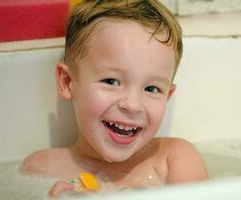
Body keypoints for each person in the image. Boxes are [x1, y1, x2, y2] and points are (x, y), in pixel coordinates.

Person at [22, 0, 208, 198]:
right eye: (111, 81)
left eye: (151, 88)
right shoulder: (41, 169)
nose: (132, 105)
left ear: (167, 97)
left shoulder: (175, 160)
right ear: (68, 83)